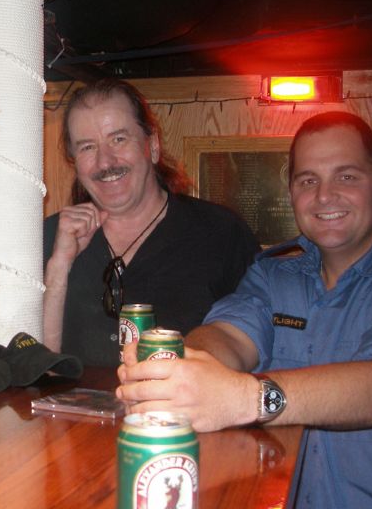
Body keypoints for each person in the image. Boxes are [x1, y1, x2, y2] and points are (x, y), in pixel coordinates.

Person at [117, 111, 372, 509]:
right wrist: (185, 367)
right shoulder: (275, 271)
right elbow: (230, 335)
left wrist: (247, 398)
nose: (324, 196)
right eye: (307, 180)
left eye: (346, 176)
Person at [43, 79, 260, 366]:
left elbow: (258, 341)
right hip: (70, 412)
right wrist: (58, 268)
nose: (105, 162)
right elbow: (31, 367)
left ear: (153, 145)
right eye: (87, 147)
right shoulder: (48, 237)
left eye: (119, 139)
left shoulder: (222, 233)